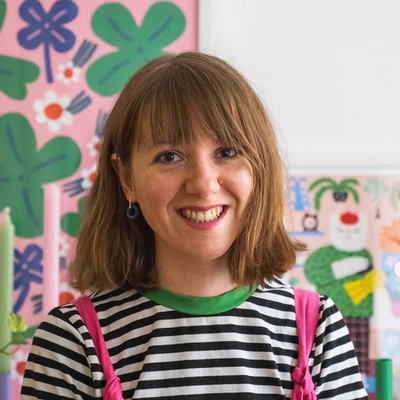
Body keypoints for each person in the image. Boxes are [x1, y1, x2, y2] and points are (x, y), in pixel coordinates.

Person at [21, 52, 368, 399]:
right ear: (127, 179)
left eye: (227, 152)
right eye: (169, 156)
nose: (203, 184)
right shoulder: (72, 341)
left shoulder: (317, 329)